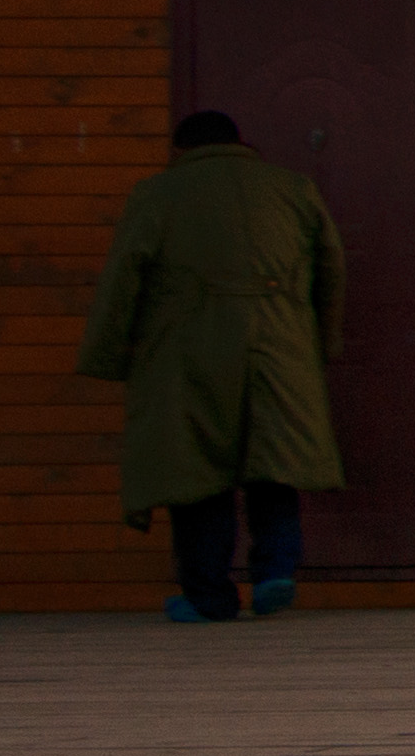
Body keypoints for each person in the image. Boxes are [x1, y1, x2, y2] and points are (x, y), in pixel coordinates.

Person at [85, 107, 342, 626]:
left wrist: (108, 355)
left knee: (197, 473)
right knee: (275, 462)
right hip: (280, 342)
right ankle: (275, 572)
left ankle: (209, 596)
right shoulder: (293, 189)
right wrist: (317, 345)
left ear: (182, 149)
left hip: (187, 349)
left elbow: (122, 281)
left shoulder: (157, 194)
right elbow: (331, 267)